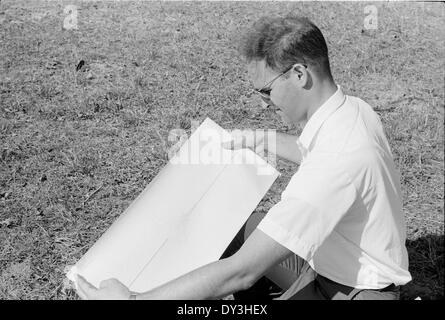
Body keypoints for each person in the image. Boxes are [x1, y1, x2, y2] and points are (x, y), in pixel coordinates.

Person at [75, 15, 412, 300]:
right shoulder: (352, 111)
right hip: (328, 260)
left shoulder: (334, 164)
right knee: (232, 221)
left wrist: (134, 300)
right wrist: (247, 140)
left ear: (299, 74)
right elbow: (310, 151)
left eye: (266, 92)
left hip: (354, 291)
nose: (263, 103)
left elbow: (242, 273)